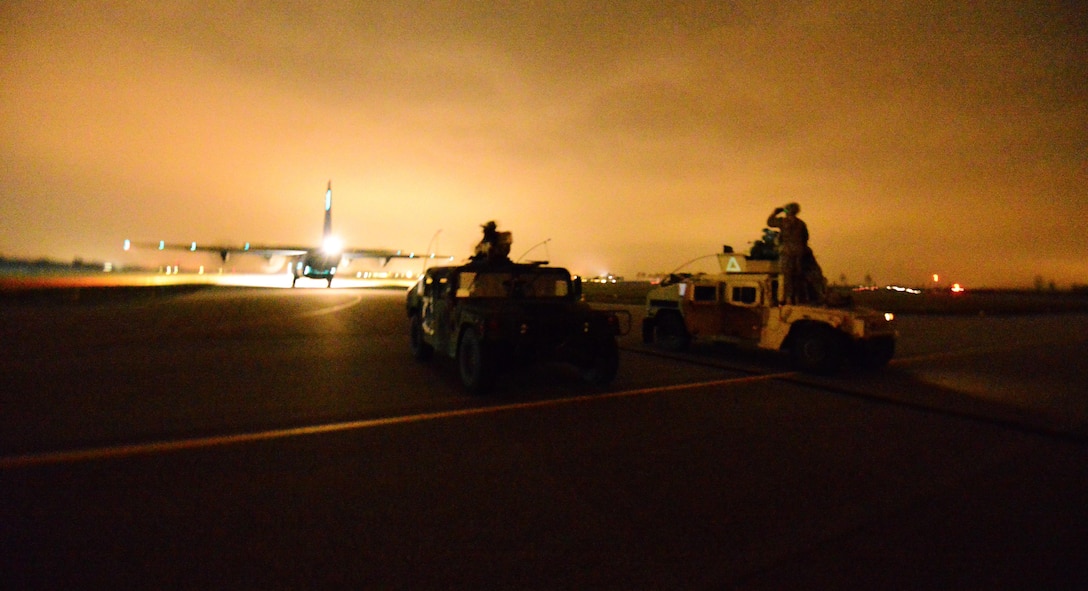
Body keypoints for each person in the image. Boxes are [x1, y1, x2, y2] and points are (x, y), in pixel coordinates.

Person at [766, 202, 809, 304]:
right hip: (799, 252)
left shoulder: (784, 222)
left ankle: (789, 299)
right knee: (798, 276)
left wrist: (775, 212)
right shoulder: (801, 224)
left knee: (787, 276)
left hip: (787, 252)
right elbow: (806, 238)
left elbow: (770, 222)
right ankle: (798, 298)